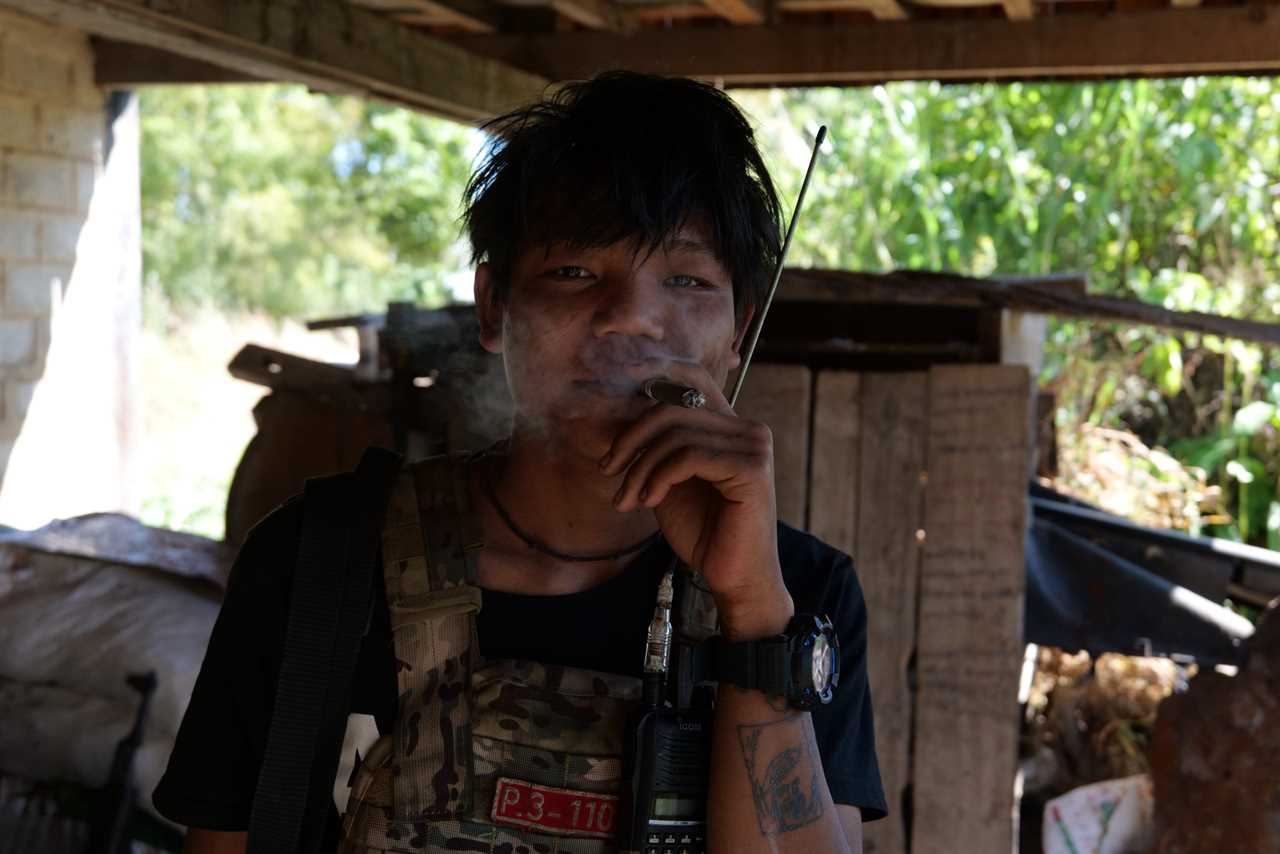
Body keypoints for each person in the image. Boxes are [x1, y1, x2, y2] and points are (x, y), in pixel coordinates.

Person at [155, 70, 887, 854]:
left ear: (739, 329)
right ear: (494, 306)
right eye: (574, 272)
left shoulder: (799, 597)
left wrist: (752, 615)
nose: (631, 319)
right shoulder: (318, 563)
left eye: (685, 279)